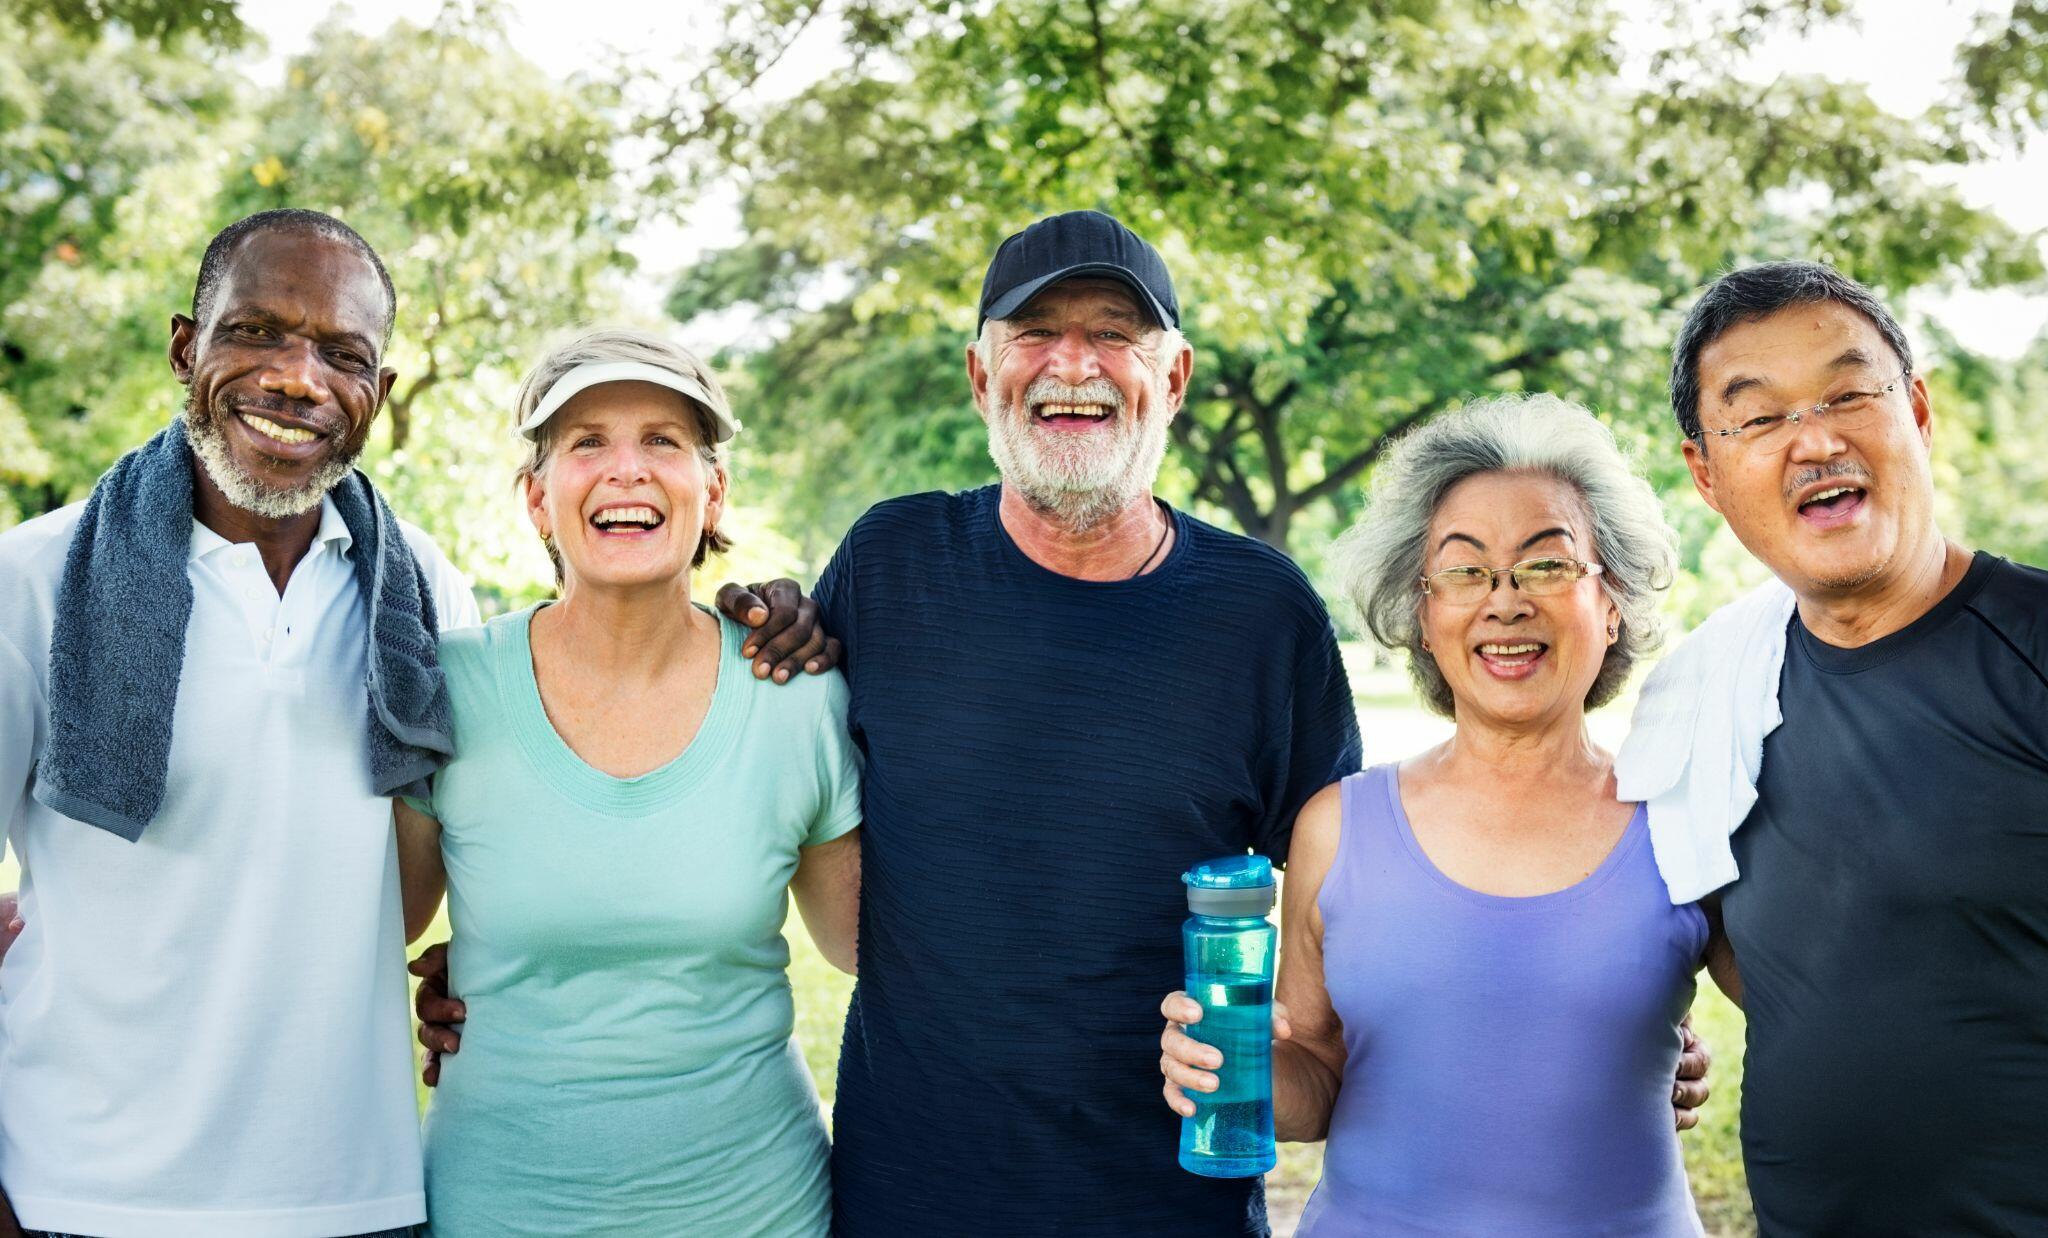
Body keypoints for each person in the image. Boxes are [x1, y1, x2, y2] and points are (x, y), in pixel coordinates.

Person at [416, 210, 1709, 1235]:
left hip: (1172, 1203)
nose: (1073, 364)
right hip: (910, 1196)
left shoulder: (1261, 614)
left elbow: (1365, 911)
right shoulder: (890, 565)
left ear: (1172, 376)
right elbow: (720, 765)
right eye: (1035, 333)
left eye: (1113, 335)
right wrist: (524, 962)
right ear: (981, 372)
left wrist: (1604, 1016)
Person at [0, 210, 479, 1238]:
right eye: (256, 331)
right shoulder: (32, 579)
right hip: (77, 1193)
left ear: (380, 389)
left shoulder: (426, 592)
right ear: (187, 347)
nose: (299, 379)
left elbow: (436, 878)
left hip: (357, 1194)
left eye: (343, 354)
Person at [1159, 394, 1716, 1236]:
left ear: (1613, 602)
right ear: (1422, 615)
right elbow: (1316, 1073)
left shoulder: (1685, 822)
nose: (1505, 600)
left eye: (1547, 564)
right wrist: (1235, 1067)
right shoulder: (1335, 829)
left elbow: (1804, 1022)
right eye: (1463, 570)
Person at [392, 329, 861, 1237]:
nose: (627, 468)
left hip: (757, 1210)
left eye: (662, 440)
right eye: (587, 442)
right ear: (537, 498)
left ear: (712, 491)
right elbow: (380, 925)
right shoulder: (448, 690)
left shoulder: (795, 697)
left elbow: (868, 948)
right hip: (498, 1209)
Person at [1648, 261, 2048, 1235]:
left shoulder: (2029, 649)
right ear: (1705, 473)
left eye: (1848, 395)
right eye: (1759, 416)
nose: (1816, 440)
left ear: (1917, 411)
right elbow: (1737, 940)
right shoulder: (1708, 693)